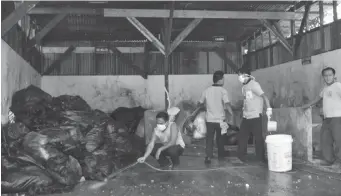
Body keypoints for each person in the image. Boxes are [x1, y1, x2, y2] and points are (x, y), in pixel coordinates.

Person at [302, 67, 341, 166]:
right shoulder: (324, 88)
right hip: (327, 118)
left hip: (337, 117)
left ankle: (339, 161)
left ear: (334, 76)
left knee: (339, 140)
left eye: (330, 75)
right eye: (326, 75)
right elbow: (317, 99)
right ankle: (329, 160)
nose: (328, 77)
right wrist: (307, 105)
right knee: (325, 139)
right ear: (323, 77)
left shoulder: (338, 86)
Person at [237, 67, 272, 163]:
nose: (239, 77)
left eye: (240, 75)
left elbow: (264, 96)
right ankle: (241, 156)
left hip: (255, 115)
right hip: (246, 116)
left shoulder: (254, 84)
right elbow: (246, 101)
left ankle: (260, 158)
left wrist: (268, 108)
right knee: (242, 136)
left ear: (246, 75)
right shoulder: (244, 87)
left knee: (258, 137)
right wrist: (243, 111)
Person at [198, 70, 234, 164]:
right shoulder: (223, 91)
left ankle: (208, 157)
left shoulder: (206, 90)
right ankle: (221, 156)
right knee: (221, 138)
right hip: (221, 120)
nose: (224, 80)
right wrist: (232, 114)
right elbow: (227, 104)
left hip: (209, 120)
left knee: (209, 138)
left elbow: (199, 103)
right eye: (223, 78)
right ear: (220, 80)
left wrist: (206, 108)